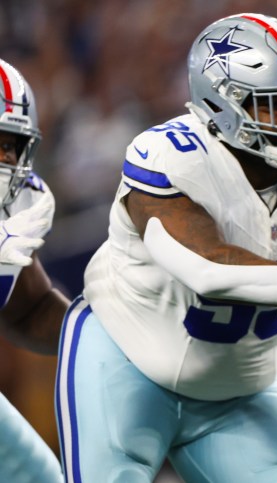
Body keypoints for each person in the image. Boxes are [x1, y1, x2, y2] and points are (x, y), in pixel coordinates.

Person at [53, 13, 277, 482]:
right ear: (222, 105)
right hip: (125, 362)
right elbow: (208, 267)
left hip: (242, 386)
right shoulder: (169, 155)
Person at [0, 59, 67, 483]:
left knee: (39, 475)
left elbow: (27, 309)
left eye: (12, 145)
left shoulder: (15, 203)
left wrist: (101, 335)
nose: (6, 161)